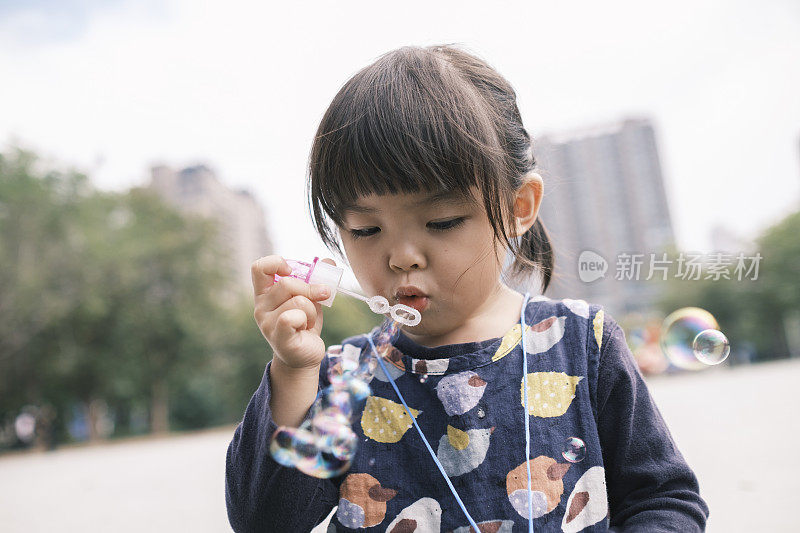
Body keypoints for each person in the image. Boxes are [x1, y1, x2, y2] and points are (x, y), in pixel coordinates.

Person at [225, 44, 709, 532]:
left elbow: (662, 499)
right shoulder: (341, 380)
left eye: (441, 221)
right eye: (365, 230)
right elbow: (262, 521)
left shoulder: (582, 345)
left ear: (520, 206)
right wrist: (293, 373)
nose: (401, 256)